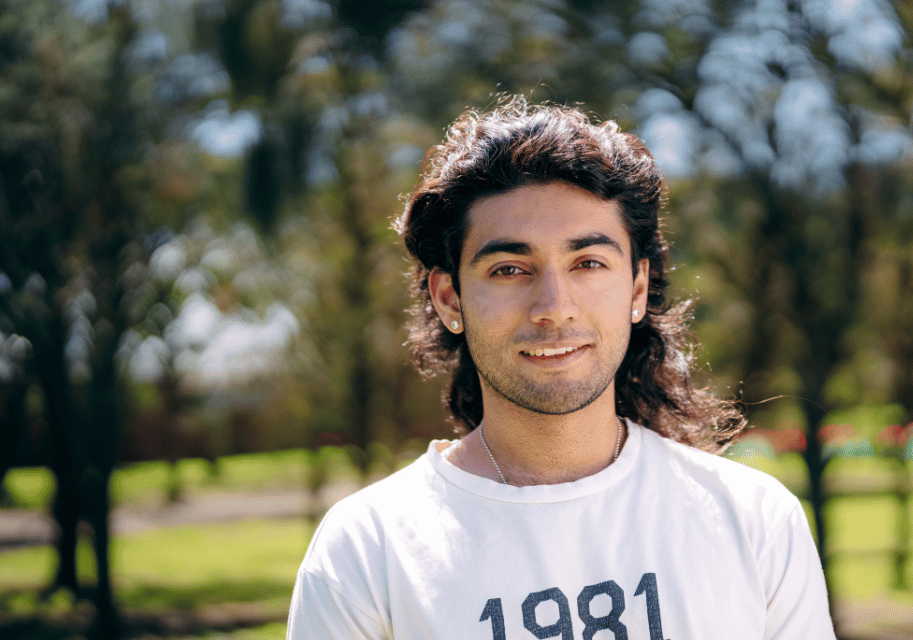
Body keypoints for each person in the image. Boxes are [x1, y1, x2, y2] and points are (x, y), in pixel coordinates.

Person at [287, 97, 837, 639]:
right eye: (508, 269)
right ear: (450, 299)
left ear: (637, 288)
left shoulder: (753, 519)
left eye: (588, 263)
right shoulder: (366, 552)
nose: (553, 305)